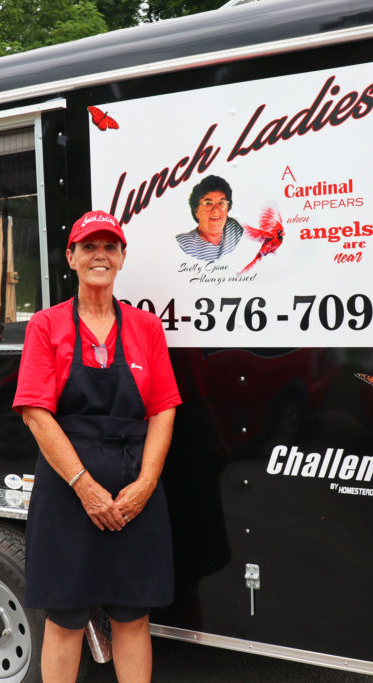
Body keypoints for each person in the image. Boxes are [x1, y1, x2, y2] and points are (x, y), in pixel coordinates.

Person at [14, 210, 181, 682]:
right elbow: (35, 413)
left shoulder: (146, 328)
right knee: (65, 617)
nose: (99, 256)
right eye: (89, 246)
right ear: (71, 257)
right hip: (68, 491)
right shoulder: (46, 326)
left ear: (123, 258)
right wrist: (84, 486)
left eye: (110, 247)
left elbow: (163, 409)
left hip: (134, 488)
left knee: (133, 615)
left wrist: (146, 484)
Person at [175, 175, 243, 260]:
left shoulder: (235, 229)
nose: (216, 210)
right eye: (208, 203)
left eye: (221, 203)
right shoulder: (184, 244)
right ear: (196, 211)